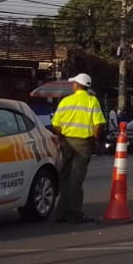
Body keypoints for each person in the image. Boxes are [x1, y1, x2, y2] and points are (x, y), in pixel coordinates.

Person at [50, 73, 107, 223]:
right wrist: (96, 140)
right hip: (84, 144)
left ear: (76, 85)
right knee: (76, 178)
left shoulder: (65, 101)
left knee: (65, 176)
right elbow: (98, 124)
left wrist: (62, 137)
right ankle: (74, 213)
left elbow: (55, 124)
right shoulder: (92, 101)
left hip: (67, 142)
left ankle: (61, 212)